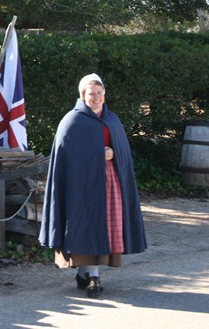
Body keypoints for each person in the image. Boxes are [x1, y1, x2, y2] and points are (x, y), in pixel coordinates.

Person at [38, 73, 147, 298]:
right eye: (91, 94)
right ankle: (90, 275)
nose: (95, 98)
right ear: (83, 96)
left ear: (104, 94)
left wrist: (114, 152)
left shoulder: (112, 119)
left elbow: (123, 152)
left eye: (99, 93)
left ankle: (90, 274)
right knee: (85, 224)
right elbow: (66, 155)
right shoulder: (72, 120)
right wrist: (97, 153)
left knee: (105, 224)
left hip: (109, 181)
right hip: (81, 185)